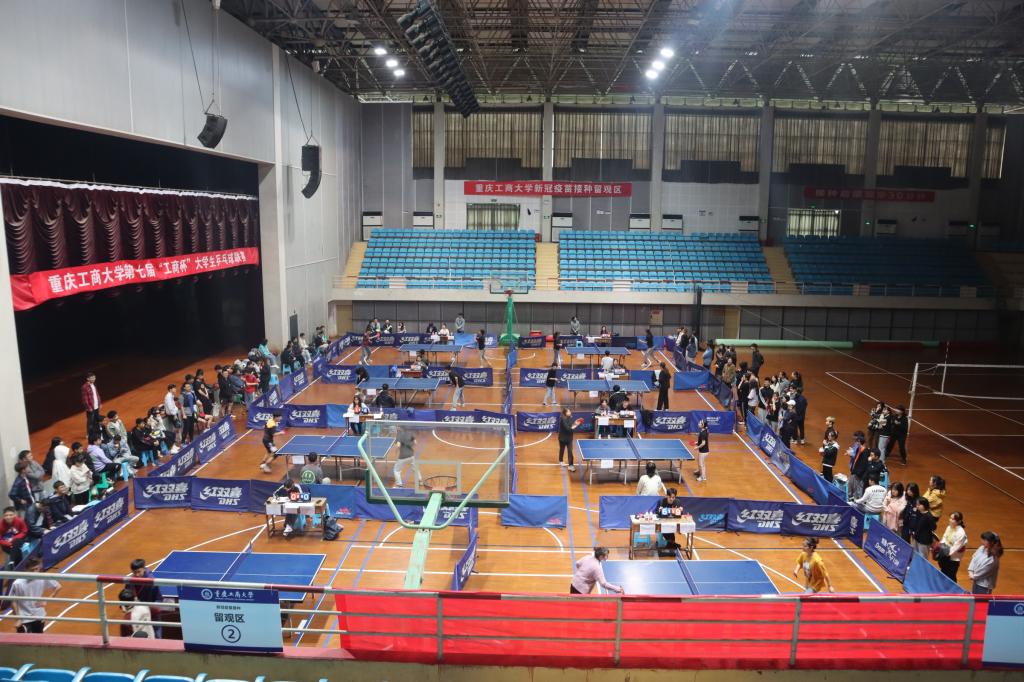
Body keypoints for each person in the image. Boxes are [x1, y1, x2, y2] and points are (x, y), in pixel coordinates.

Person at [9, 557, 60, 632]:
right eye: (32, 570)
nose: (34, 572)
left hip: (39, 615)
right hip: (24, 618)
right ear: (26, 569)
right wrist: (18, 618)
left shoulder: (43, 577)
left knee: (38, 637)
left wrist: (46, 600)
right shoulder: (18, 583)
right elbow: (13, 601)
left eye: (36, 569)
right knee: (23, 638)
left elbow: (58, 587)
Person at [936, 511, 968, 582]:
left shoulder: (961, 533)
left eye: (953, 519)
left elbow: (955, 547)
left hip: (953, 559)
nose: (950, 520)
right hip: (945, 554)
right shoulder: (949, 527)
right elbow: (944, 537)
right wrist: (941, 547)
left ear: (959, 521)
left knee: (951, 577)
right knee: (943, 572)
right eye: (950, 518)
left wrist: (945, 553)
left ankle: (952, 589)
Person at [558, 408, 583, 472]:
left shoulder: (570, 418)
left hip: (569, 438)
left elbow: (571, 425)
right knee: (562, 449)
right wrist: (575, 425)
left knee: (570, 451)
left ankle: (571, 466)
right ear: (565, 413)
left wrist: (575, 423)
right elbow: (568, 429)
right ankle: (561, 460)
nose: (570, 412)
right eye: (568, 411)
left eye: (570, 411)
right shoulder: (563, 420)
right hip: (562, 438)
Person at [81, 371, 102, 436]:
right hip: (90, 407)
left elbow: (97, 394)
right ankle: (89, 434)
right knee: (90, 421)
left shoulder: (94, 384)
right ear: (88, 379)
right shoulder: (84, 387)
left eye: (94, 377)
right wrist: (88, 407)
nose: (94, 379)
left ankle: (97, 431)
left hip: (96, 405)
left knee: (96, 419)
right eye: (92, 378)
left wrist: (99, 403)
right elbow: (85, 399)